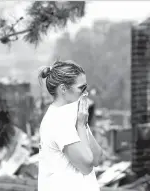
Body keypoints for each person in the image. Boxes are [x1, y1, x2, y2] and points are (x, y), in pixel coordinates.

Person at [37, 60, 103, 191]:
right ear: (63, 89)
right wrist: (81, 125)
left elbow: (97, 158)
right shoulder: (58, 121)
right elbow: (87, 165)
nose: (85, 93)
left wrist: (82, 124)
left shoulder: (75, 116)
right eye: (81, 88)